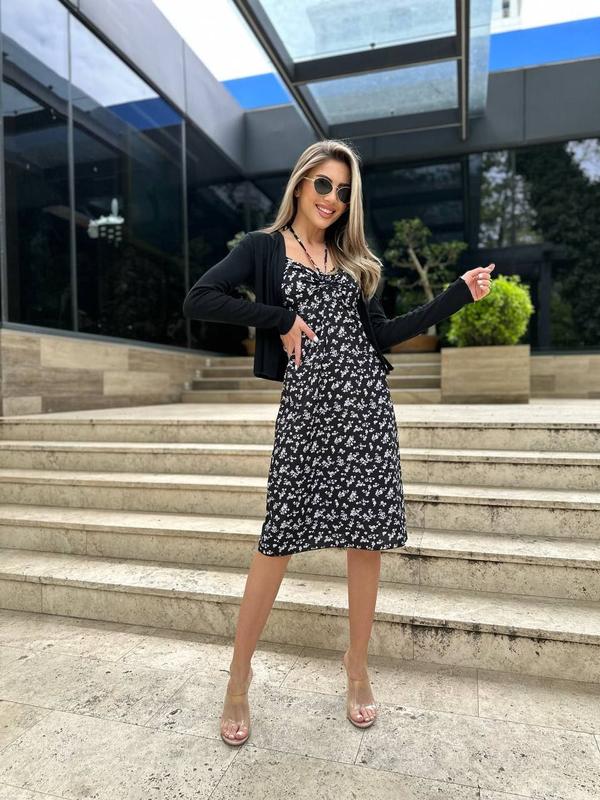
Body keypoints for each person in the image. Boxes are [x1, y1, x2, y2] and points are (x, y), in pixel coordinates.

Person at [182, 139, 494, 747]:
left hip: (367, 412)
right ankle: (239, 676)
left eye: (343, 191)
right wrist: (278, 318)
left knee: (366, 542)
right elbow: (201, 298)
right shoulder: (263, 248)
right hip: (306, 414)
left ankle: (356, 667)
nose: (332, 198)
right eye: (323, 184)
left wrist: (458, 293)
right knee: (276, 541)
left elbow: (385, 334)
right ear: (301, 184)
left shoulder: (354, 263)